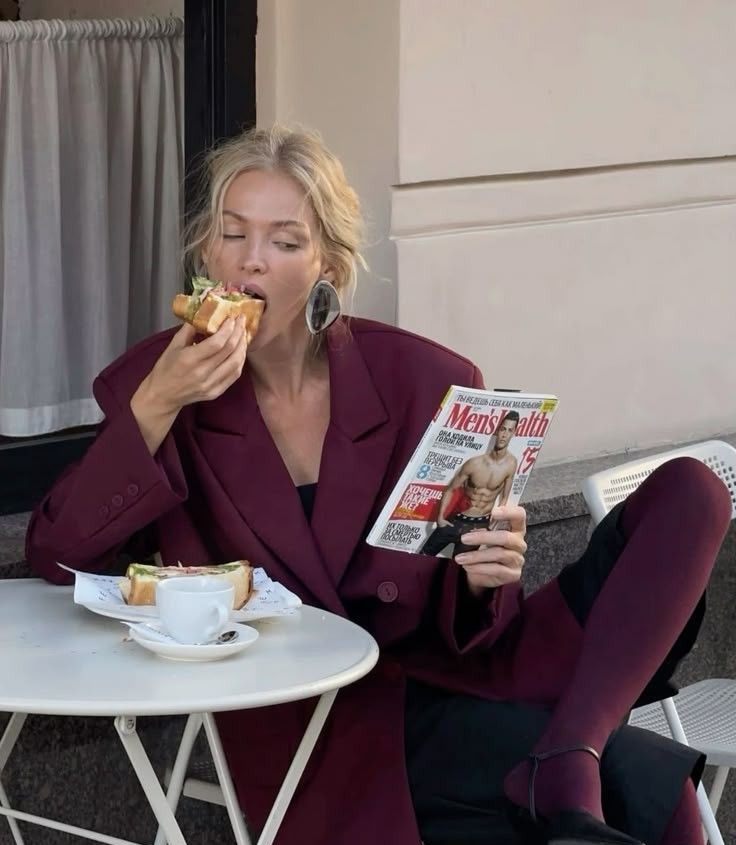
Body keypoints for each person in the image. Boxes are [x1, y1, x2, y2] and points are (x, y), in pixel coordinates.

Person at [26, 125, 732, 845]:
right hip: (331, 713)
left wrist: (486, 574)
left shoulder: (421, 378)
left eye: (284, 241)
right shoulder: (161, 384)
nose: (250, 260)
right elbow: (55, 552)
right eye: (232, 235)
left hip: (467, 668)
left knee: (695, 490)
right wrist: (157, 403)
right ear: (207, 254)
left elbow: (478, 617)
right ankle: (569, 759)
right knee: (653, 790)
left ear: (327, 266)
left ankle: (571, 749)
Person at [421, 410, 519, 557]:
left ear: (514, 433)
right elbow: (450, 489)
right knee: (422, 558)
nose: (504, 434)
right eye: (503, 429)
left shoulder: (511, 464)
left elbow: (504, 499)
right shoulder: (474, 463)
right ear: (497, 431)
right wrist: (440, 518)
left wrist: (491, 528)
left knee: (460, 567)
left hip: (479, 526)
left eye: (509, 430)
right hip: (456, 520)